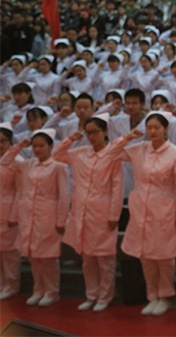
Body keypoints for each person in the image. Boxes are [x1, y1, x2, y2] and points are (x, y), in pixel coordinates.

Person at [105, 113, 176, 316]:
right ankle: (152, 296)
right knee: (145, 256)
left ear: (165, 129)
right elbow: (111, 154)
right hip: (141, 208)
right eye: (149, 127)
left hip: (165, 210)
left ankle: (165, 296)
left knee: (164, 257)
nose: (152, 131)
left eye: (156, 127)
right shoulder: (139, 149)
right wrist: (126, 138)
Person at [51, 114, 123, 312]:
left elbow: (117, 187)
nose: (91, 137)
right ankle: (91, 295)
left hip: (103, 211)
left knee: (104, 258)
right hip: (81, 211)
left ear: (105, 132)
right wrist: (70, 139)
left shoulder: (112, 155)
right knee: (87, 258)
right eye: (88, 133)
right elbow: (56, 155)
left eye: (95, 132)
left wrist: (114, 215)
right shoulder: (80, 153)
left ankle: (105, 296)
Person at [0, 129, 70, 306]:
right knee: (32, 255)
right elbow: (5, 162)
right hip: (29, 214)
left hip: (48, 214)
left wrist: (61, 220)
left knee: (48, 257)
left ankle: (52, 292)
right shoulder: (28, 165)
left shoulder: (58, 166)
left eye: (41, 146)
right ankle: (38, 290)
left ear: (50, 146)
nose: (37, 149)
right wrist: (18, 147)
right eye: (35, 146)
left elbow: (64, 195)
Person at [0, 122, 21, 300]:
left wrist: (15, 214)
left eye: (3, 141)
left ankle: (11, 285)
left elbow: (20, 190)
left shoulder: (17, 161)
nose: (0, 145)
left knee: (9, 252)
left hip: (9, 210)